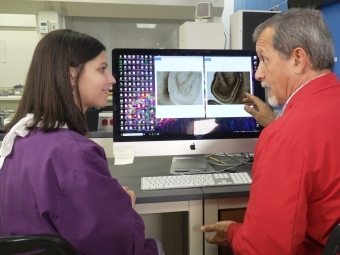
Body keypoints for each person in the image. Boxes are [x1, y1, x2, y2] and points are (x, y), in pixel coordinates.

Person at [0, 29, 163, 255]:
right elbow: (117, 245)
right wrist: (126, 205)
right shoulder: (74, 154)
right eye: (102, 69)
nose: (112, 79)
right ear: (71, 76)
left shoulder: (18, 141)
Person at [201, 7, 340, 255]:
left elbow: (265, 248)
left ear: (298, 59)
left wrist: (233, 231)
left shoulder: (285, 138)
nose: (258, 74)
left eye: (264, 59)